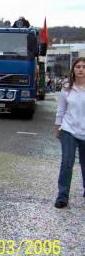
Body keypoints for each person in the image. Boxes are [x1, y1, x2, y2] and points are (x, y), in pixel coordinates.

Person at [54, 57, 85, 209]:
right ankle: (62, 196)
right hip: (68, 129)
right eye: (78, 66)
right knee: (67, 163)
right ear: (73, 70)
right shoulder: (66, 89)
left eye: (84, 67)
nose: (81, 69)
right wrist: (57, 127)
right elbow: (61, 110)